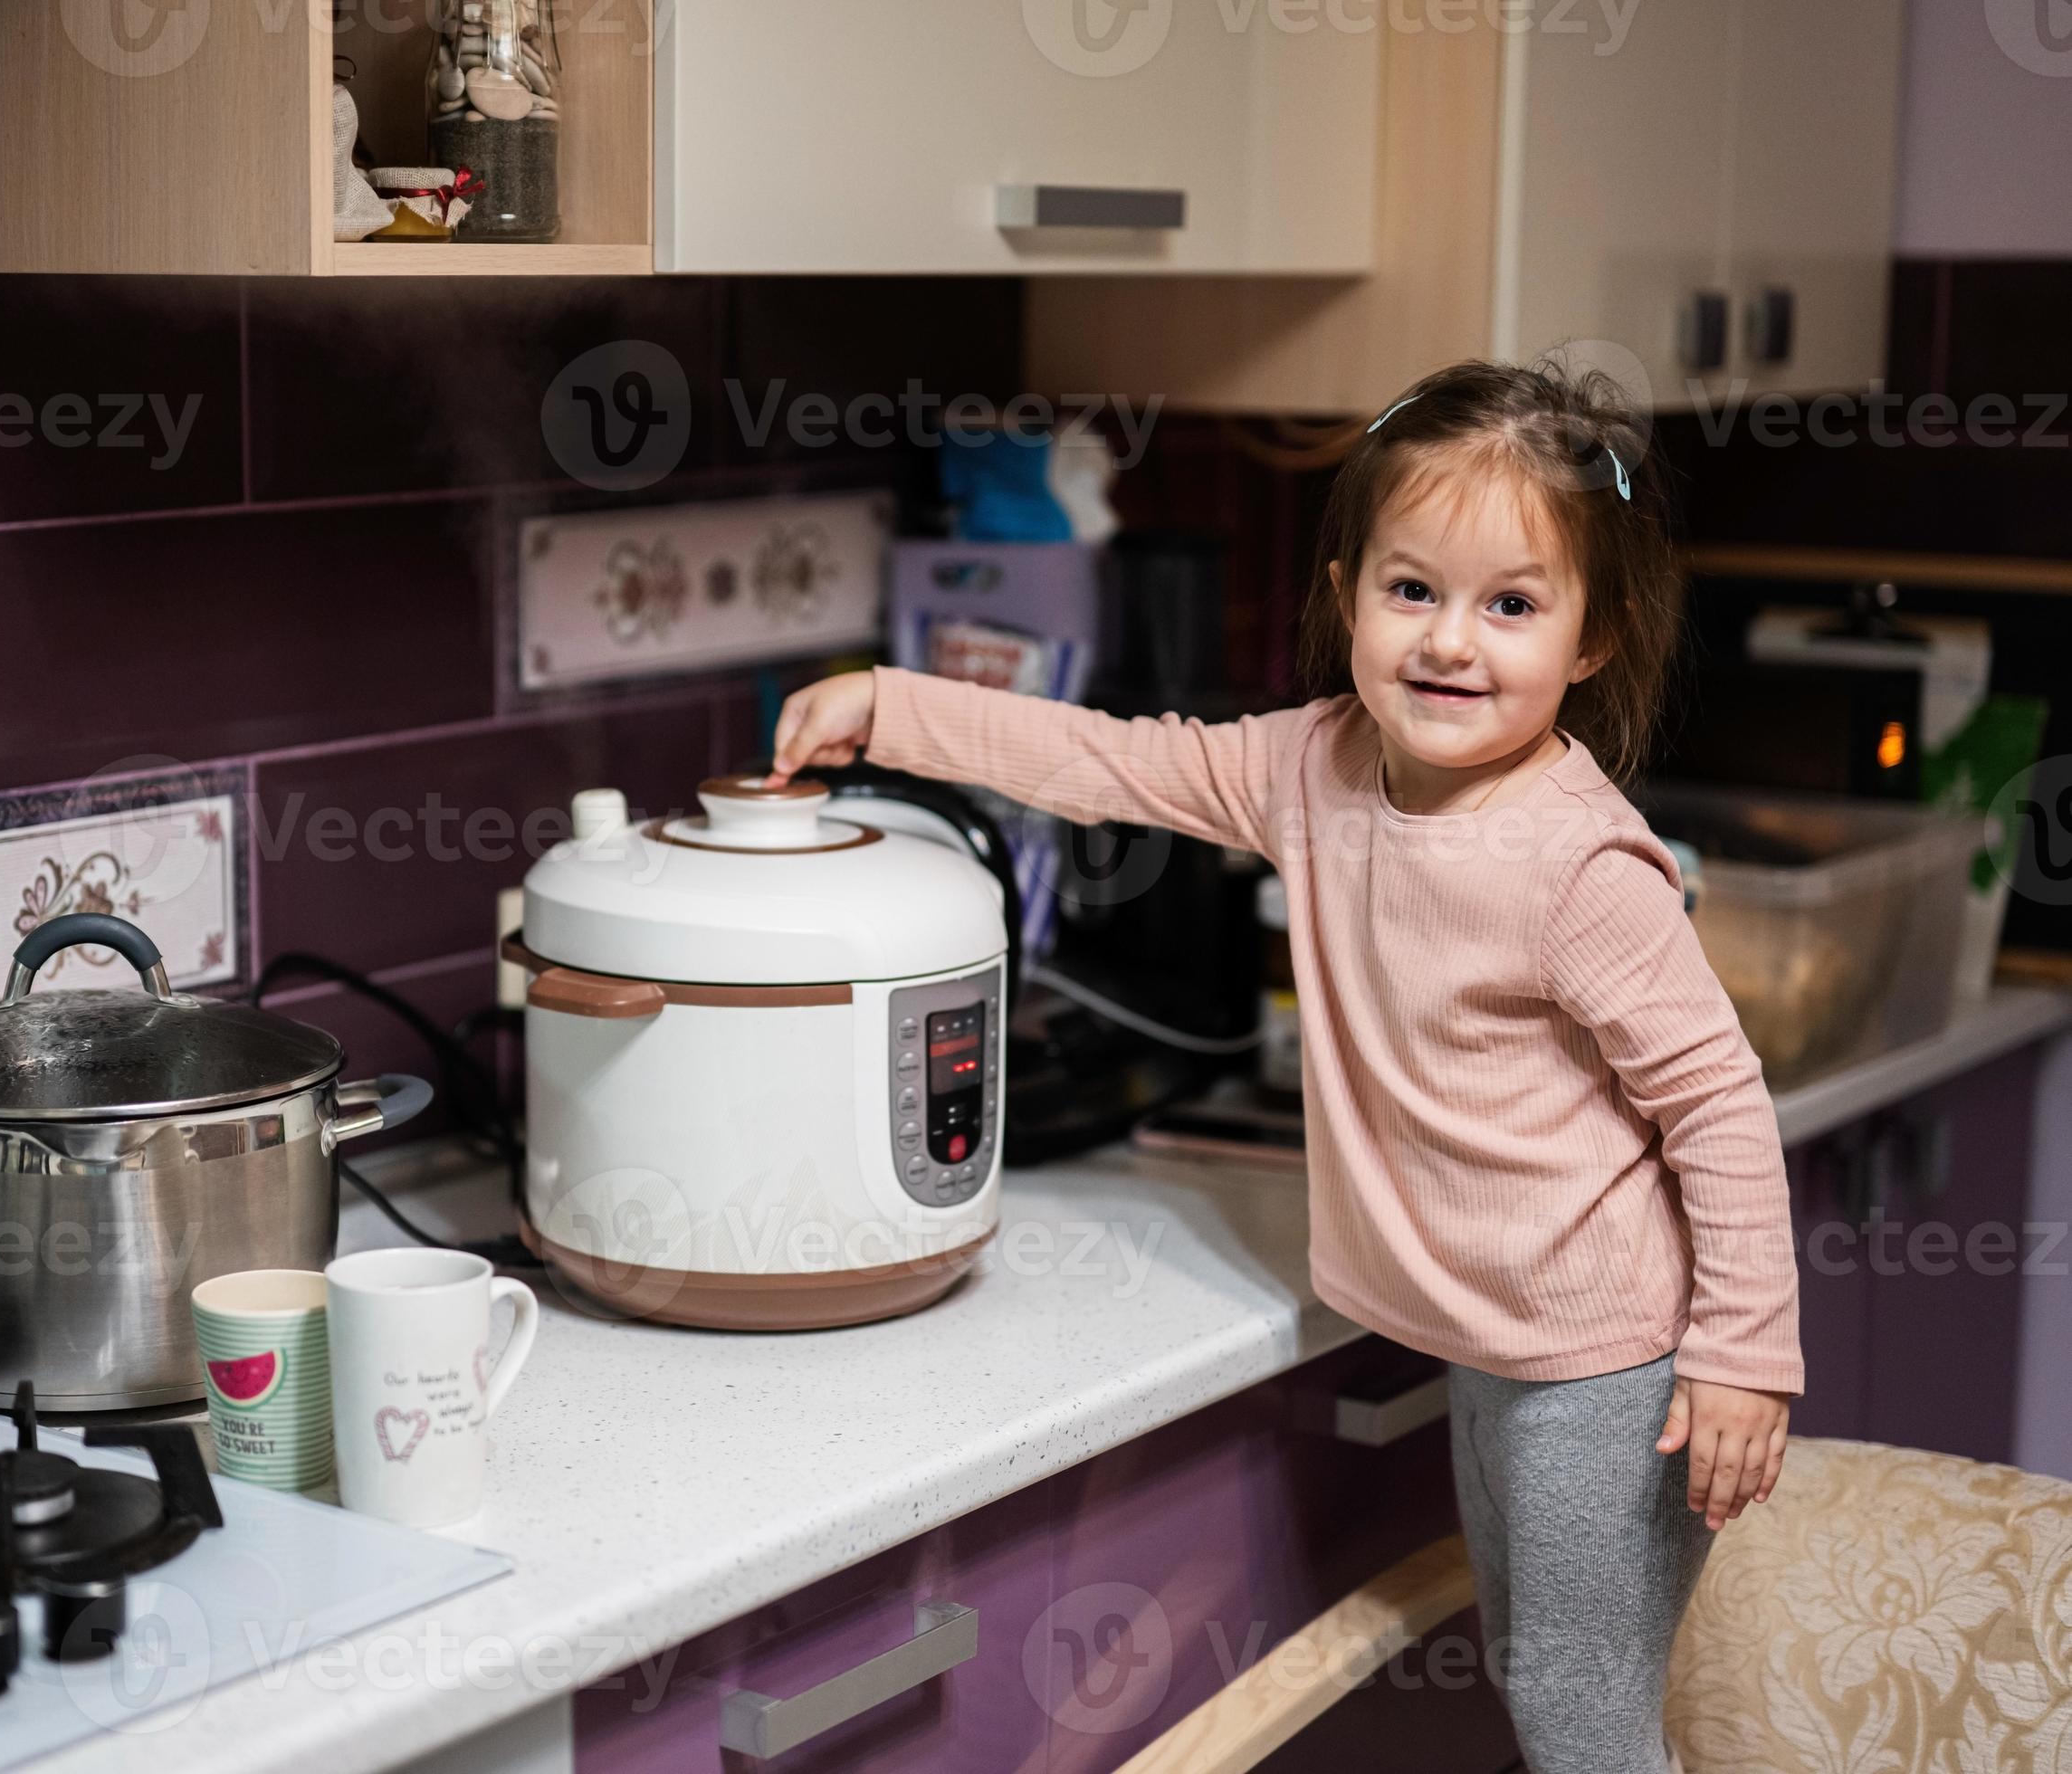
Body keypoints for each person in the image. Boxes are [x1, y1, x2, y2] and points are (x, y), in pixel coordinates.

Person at [770, 359, 1800, 1773]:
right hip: (1493, 1340)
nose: (1450, 641)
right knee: (1536, 1683)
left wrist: (1747, 1353)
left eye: (1511, 604)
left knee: (1581, 1727)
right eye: (1412, 590)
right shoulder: (1313, 767)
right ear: (1345, 594)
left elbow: (1720, 1106)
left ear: (1594, 639)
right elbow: (1110, 763)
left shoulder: (1577, 862)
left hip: (1611, 1359)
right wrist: (889, 707)